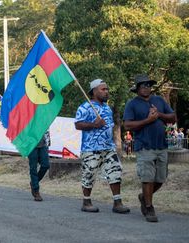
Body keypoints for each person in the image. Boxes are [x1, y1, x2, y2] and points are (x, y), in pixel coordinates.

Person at [123, 74, 176, 222]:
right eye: (143, 85)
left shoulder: (159, 100)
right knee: (147, 178)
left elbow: (173, 117)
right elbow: (127, 125)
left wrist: (159, 114)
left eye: (148, 85)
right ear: (138, 88)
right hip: (144, 146)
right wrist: (148, 120)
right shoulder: (132, 104)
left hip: (162, 145)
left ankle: (143, 196)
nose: (147, 87)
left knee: (160, 178)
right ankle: (149, 206)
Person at [75, 79, 130, 214]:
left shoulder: (107, 108)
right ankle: (86, 202)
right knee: (89, 174)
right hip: (91, 148)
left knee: (115, 172)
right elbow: (78, 124)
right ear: (94, 92)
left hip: (108, 147)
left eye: (107, 89)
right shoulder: (85, 107)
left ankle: (117, 202)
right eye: (103, 89)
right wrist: (94, 124)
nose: (107, 92)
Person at [28, 131, 50, 201]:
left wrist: (48, 141)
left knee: (45, 165)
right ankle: (36, 190)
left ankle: (34, 182)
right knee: (33, 168)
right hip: (31, 145)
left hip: (43, 144)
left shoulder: (42, 120)